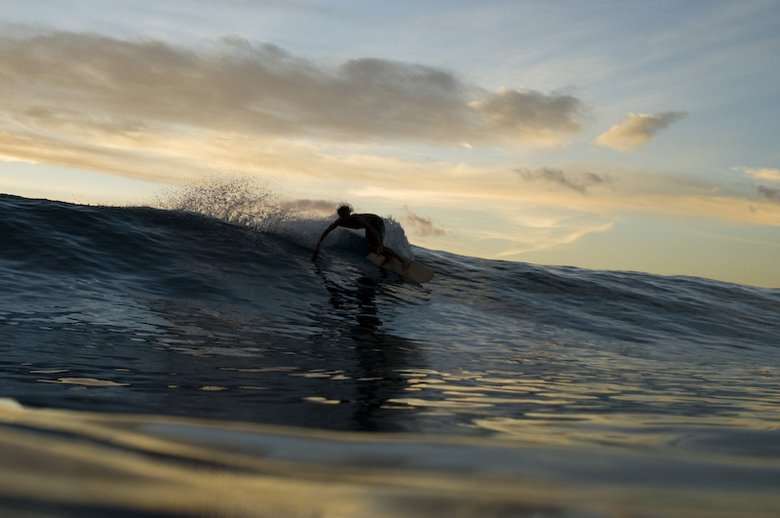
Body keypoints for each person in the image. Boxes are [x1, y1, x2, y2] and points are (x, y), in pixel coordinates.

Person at [312, 205, 409, 267]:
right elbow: (327, 231)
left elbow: (372, 230)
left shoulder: (356, 219)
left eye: (346, 215)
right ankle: (388, 257)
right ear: (340, 216)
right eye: (342, 216)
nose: (345, 218)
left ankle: (402, 261)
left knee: (377, 246)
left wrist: (379, 245)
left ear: (349, 213)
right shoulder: (339, 222)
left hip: (376, 223)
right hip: (370, 226)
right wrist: (318, 244)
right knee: (371, 249)